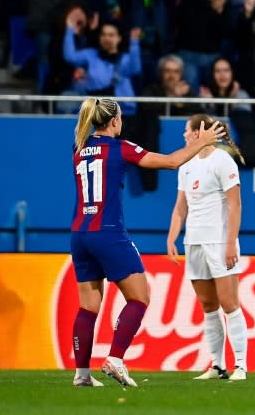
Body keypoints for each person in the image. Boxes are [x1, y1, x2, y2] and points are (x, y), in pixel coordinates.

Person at [70, 97, 224, 387]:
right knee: (139, 298)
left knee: (88, 306)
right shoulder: (120, 148)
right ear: (115, 120)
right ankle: (115, 359)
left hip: (79, 233)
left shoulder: (79, 149)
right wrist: (201, 143)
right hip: (108, 231)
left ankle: (82, 374)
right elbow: (171, 162)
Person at [166, 114, 249, 381]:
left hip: (219, 241)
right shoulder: (186, 164)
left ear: (200, 132)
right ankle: (217, 365)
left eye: (187, 130)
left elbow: (235, 205)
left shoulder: (223, 161)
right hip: (194, 242)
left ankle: (241, 366)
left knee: (229, 303)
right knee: (208, 305)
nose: (184, 135)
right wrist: (172, 237)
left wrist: (230, 243)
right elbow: (181, 206)